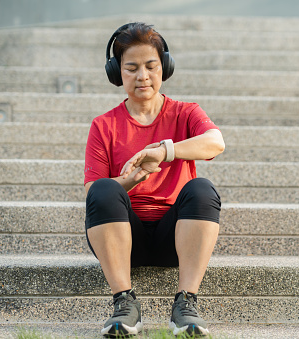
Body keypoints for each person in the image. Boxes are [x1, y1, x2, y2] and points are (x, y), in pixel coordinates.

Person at [83, 22, 225, 338]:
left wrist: (166, 150)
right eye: (131, 68)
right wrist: (130, 180)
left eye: (151, 66)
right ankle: (124, 303)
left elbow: (216, 142)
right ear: (117, 73)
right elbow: (94, 195)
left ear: (165, 68)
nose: (142, 76)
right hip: (123, 240)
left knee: (202, 189)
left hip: (175, 238)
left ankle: (186, 304)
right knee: (105, 188)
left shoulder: (186, 113)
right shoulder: (103, 125)